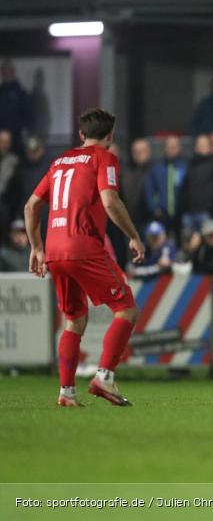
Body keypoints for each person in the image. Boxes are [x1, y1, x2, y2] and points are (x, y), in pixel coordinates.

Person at [22, 108, 145, 407]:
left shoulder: (58, 162)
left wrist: (36, 247)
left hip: (54, 249)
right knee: (126, 309)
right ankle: (104, 376)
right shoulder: (104, 158)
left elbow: (30, 206)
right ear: (110, 136)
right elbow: (110, 200)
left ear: (81, 134)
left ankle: (66, 393)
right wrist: (133, 236)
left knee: (74, 320)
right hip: (82, 246)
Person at [179, 134, 213, 235]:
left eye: (203, 145)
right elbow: (184, 187)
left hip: (207, 213)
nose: (200, 148)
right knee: (189, 244)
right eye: (199, 145)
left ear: (209, 147)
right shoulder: (190, 164)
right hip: (189, 213)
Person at [145, 135, 187, 231]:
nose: (171, 149)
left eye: (174, 147)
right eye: (169, 147)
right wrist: (154, 208)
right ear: (164, 148)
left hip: (181, 213)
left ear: (179, 148)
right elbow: (150, 190)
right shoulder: (156, 168)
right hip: (162, 214)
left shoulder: (185, 167)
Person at [0, 60, 34, 153]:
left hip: (17, 139)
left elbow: (28, 116)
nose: (7, 74)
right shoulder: (1, 92)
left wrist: (19, 131)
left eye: (9, 71)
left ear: (13, 72)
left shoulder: (21, 93)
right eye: (4, 72)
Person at [120, 138, 152, 231]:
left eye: (142, 151)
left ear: (148, 152)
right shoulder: (125, 172)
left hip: (150, 220)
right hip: (130, 221)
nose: (139, 154)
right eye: (136, 152)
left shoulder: (156, 171)